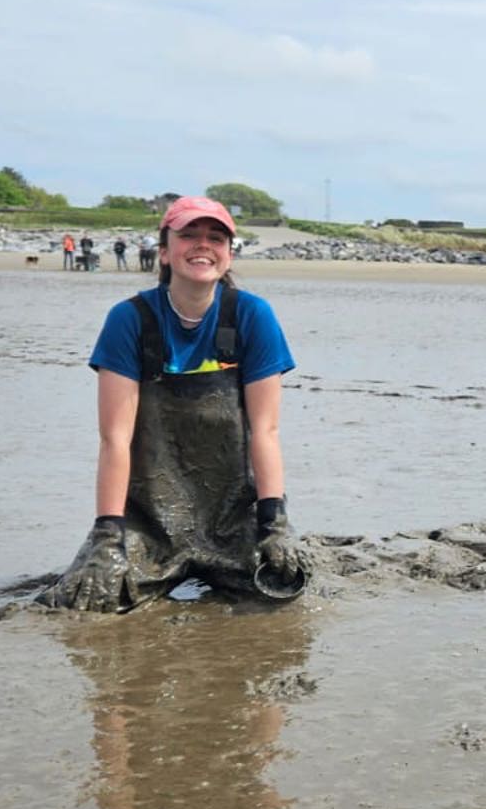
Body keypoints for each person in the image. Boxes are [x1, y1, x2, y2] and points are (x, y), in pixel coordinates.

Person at [41, 195, 310, 613]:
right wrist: (107, 537)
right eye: (189, 235)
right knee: (88, 603)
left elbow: (266, 430)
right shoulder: (128, 320)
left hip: (230, 517)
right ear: (164, 251)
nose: (203, 245)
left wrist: (274, 523)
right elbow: (115, 438)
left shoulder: (252, 316)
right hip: (147, 521)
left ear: (228, 253)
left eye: (216, 238)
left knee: (283, 592)